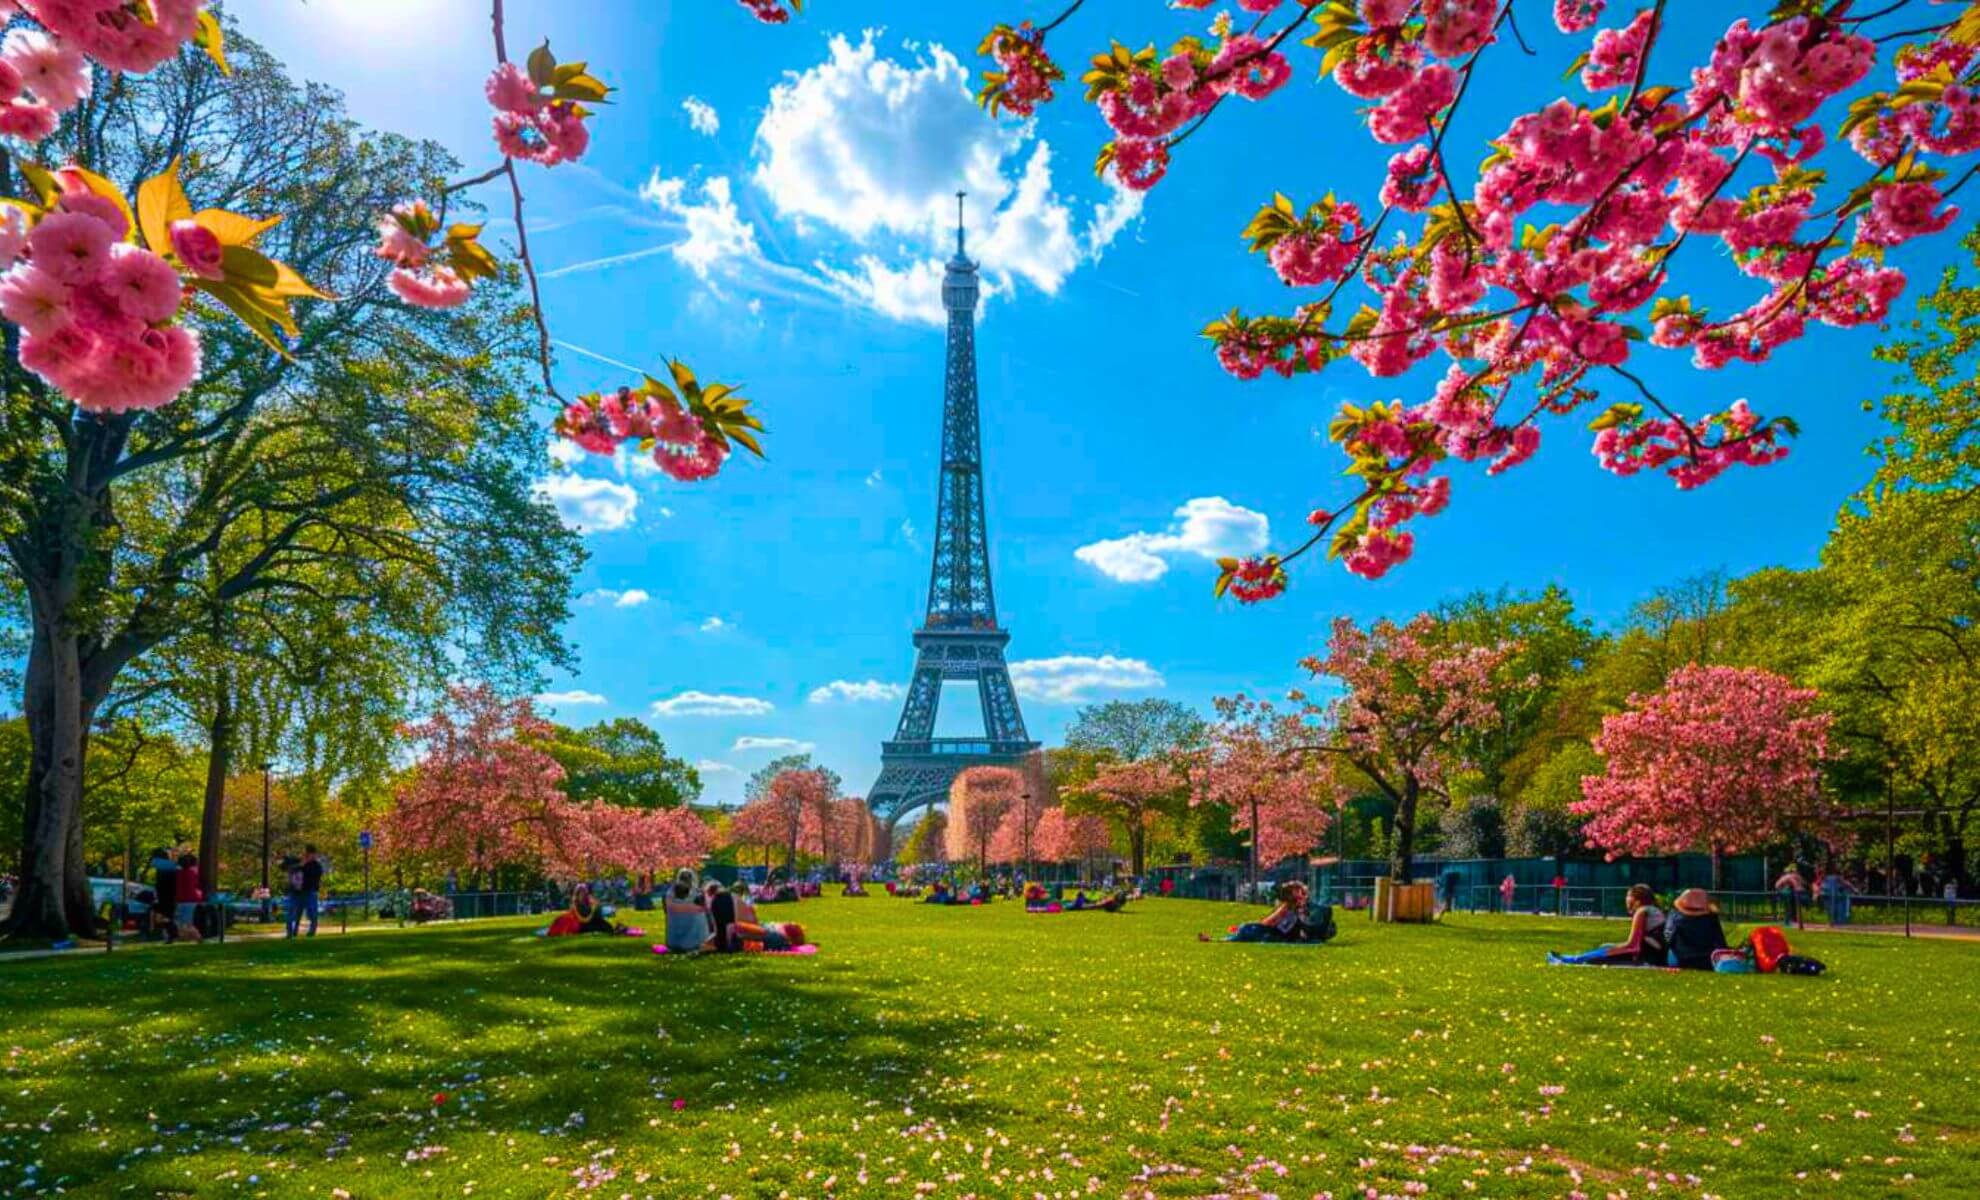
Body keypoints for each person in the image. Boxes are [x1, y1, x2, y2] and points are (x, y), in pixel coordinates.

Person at [1547, 884, 1665, 966]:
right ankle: (1570, 959)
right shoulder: (1653, 910)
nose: (1626, 899)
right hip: (1654, 953)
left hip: (1649, 956)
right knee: (1607, 948)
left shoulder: (1642, 911)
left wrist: (1613, 948)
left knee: (1604, 952)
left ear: (1637, 900)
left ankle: (1571, 960)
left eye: (1628, 896)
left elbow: (1633, 945)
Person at [1211, 881, 1327, 943]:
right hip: (1284, 935)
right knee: (1246, 928)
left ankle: (1219, 940)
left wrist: (1255, 924)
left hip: (1276, 935)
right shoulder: (1302, 907)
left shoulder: (1288, 907)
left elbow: (1268, 922)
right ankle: (1224, 939)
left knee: (1246, 928)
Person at [1664, 888, 1730, 970]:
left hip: (1681, 958)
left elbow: (1668, 937)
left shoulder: (1675, 915)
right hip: (1706, 959)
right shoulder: (1711, 918)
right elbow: (1720, 941)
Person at [662, 868, 710, 952]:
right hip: (686, 925)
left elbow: (670, 907)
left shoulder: (672, 891)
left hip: (678, 928)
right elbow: (671, 907)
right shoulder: (673, 891)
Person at [286, 845, 325, 938]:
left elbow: (315, 877)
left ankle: (312, 931)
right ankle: (291, 932)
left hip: (309, 892)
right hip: (296, 892)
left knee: (312, 912)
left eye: (310, 854)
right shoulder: (299, 863)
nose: (307, 855)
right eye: (307, 853)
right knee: (293, 913)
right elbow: (288, 869)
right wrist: (301, 865)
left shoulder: (316, 865)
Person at [149, 848, 180, 941]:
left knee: (164, 916)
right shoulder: (171, 867)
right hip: (170, 895)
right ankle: (171, 934)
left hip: (164, 896)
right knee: (165, 916)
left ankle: (173, 933)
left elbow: (160, 884)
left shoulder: (162, 868)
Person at [174, 852, 205, 944]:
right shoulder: (193, 873)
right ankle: (185, 937)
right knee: (185, 921)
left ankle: (197, 937)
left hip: (182, 900)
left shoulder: (178, 874)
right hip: (191, 900)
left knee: (183, 922)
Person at [703, 881, 739, 951]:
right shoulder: (732, 898)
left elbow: (716, 929)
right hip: (737, 936)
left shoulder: (714, 903)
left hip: (721, 940)